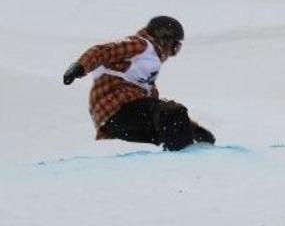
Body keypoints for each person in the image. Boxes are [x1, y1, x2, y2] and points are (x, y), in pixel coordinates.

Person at [62, 16, 215, 151]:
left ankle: (179, 159)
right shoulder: (141, 45)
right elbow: (103, 51)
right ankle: (185, 161)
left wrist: (192, 129)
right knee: (172, 113)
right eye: (175, 47)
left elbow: (155, 106)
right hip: (116, 108)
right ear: (165, 39)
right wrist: (80, 67)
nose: (172, 53)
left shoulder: (148, 70)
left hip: (117, 121)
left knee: (173, 119)